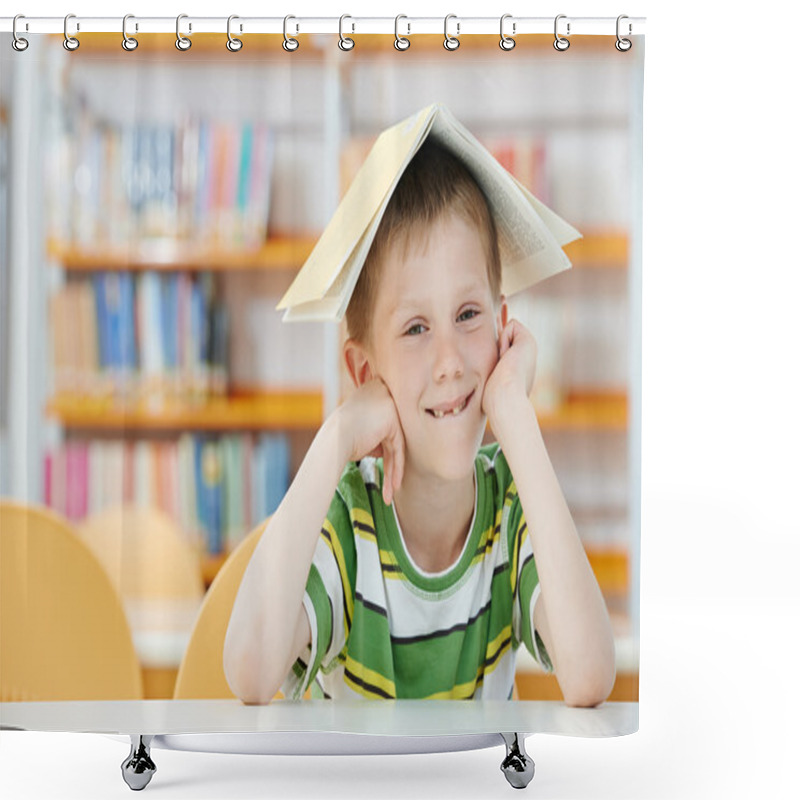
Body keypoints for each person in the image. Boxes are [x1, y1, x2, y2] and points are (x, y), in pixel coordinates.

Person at [224, 139, 615, 705]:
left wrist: (514, 411)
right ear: (364, 371)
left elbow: (590, 677)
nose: (451, 362)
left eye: (469, 315)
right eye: (415, 329)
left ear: (504, 329)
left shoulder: (510, 504)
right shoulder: (351, 522)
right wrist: (338, 436)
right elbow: (249, 673)